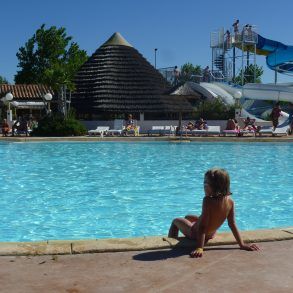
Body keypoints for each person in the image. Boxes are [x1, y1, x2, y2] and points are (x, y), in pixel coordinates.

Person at [168, 168, 260, 258]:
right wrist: (242, 244)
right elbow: (232, 224)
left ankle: (171, 243)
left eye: (205, 183)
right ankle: (191, 224)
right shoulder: (230, 202)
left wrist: (200, 247)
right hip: (211, 233)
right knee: (188, 216)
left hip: (195, 233)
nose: (203, 186)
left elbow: (202, 227)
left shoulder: (207, 201)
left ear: (215, 187)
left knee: (175, 221)